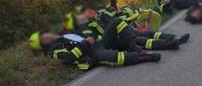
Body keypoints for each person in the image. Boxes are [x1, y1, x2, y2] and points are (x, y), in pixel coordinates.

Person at [29, 18, 161, 71]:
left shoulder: (65, 33)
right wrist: (85, 43)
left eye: (43, 35)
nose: (46, 37)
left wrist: (90, 35)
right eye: (43, 40)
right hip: (92, 53)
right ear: (44, 45)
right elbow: (68, 59)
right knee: (115, 57)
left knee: (117, 21)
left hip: (99, 41)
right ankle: (146, 57)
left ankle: (136, 48)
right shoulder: (54, 49)